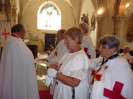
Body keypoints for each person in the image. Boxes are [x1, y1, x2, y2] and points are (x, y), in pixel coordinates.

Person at [0, 24, 39, 99]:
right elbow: (28, 57)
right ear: (20, 32)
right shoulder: (18, 43)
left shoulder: (8, 41)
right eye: (24, 32)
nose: (24, 34)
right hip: (18, 75)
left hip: (10, 72)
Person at [50, 27, 90, 99]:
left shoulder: (80, 57)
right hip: (63, 90)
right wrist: (55, 67)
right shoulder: (69, 53)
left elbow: (74, 82)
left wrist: (56, 74)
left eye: (67, 40)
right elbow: (63, 68)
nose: (64, 42)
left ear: (76, 39)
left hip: (71, 94)